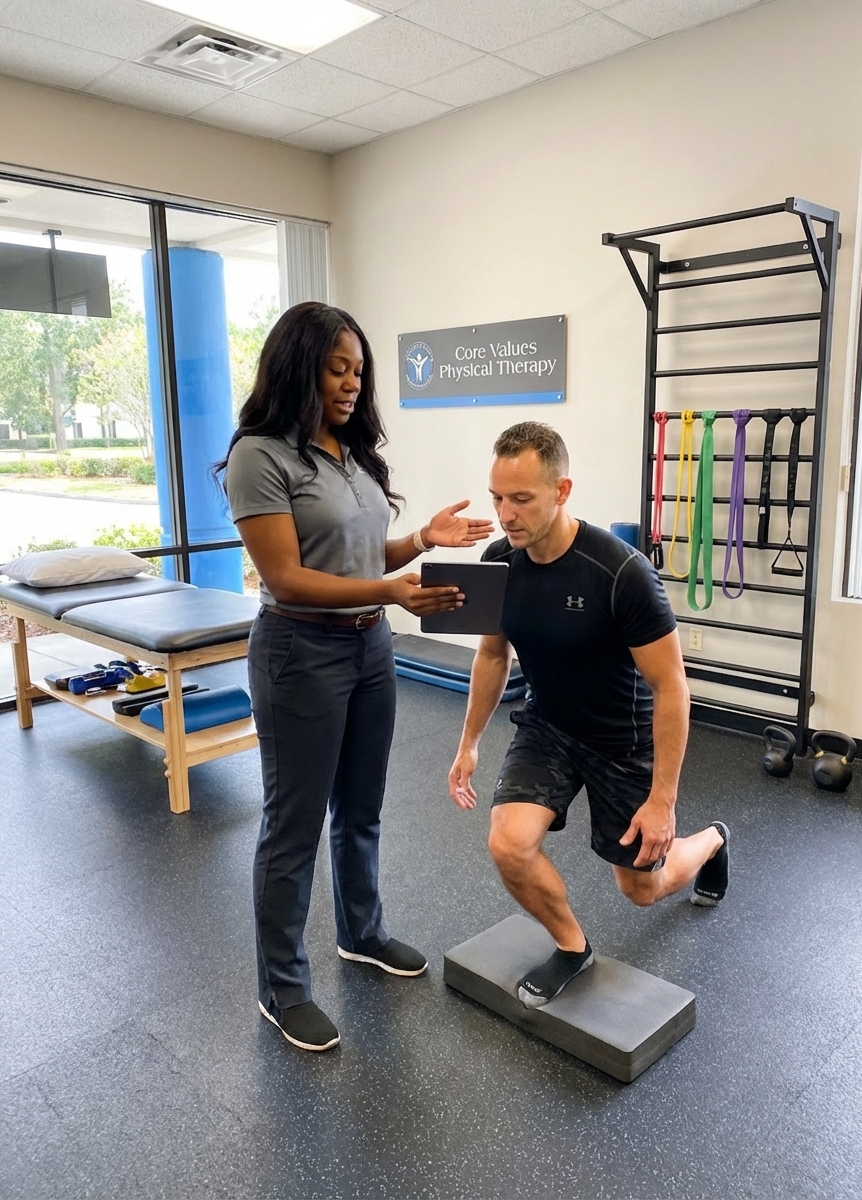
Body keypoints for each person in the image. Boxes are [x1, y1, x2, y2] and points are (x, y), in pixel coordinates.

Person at [221, 301, 493, 1052]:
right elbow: (286, 577)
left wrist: (420, 540)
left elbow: (364, 556)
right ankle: (282, 989)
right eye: (336, 369)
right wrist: (390, 592)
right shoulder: (259, 456)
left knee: (362, 807)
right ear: (297, 368)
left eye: (358, 371)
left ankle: (361, 932)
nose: (351, 383)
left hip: (370, 648)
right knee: (293, 826)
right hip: (299, 651)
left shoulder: (351, 453)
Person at [448, 422, 729, 1009]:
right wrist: (469, 741)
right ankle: (572, 948)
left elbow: (671, 688)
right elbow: (493, 654)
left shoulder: (622, 573)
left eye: (521, 498)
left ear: (562, 490)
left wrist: (663, 801)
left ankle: (709, 842)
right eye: (497, 497)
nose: (505, 514)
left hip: (621, 740)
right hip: (548, 726)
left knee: (642, 888)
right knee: (509, 844)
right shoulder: (498, 561)